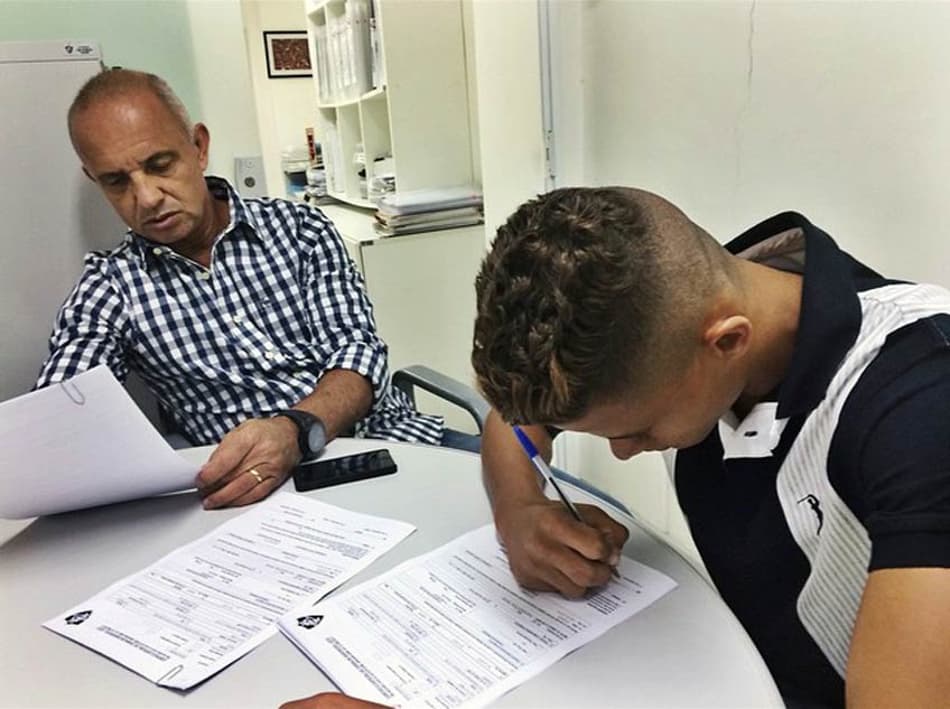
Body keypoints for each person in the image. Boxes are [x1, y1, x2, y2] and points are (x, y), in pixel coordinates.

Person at [468, 187, 950, 708]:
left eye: (640, 429)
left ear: (726, 341)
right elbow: (514, 422)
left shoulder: (922, 406)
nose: (623, 453)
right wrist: (518, 510)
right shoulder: (667, 313)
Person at [35, 68, 477, 511]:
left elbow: (357, 356)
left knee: (539, 503)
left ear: (199, 147)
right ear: (96, 182)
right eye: (117, 181)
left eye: (159, 165)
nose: (147, 197)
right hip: (265, 501)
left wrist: (294, 430)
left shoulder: (301, 230)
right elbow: (59, 419)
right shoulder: (111, 288)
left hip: (393, 445)